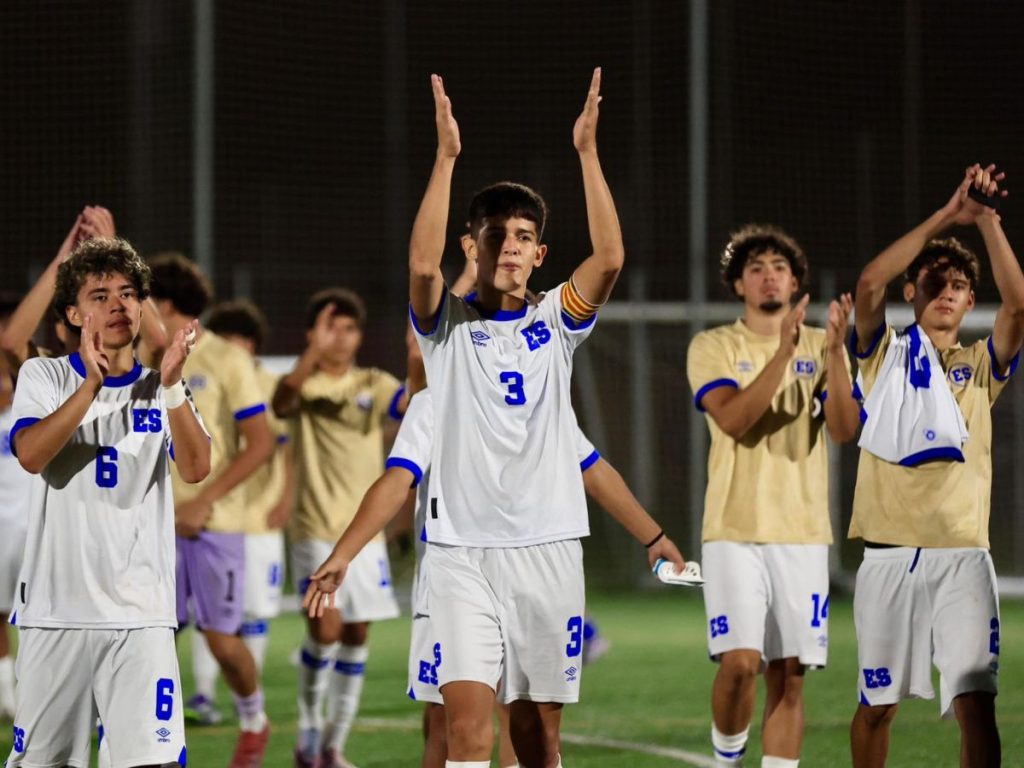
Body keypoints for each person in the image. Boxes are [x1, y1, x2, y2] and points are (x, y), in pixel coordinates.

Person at [403, 67, 625, 767]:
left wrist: (587, 152)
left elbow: (610, 257)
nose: (509, 245)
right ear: (470, 247)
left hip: (547, 548)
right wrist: (445, 158)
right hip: (460, 554)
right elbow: (421, 264)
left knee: (536, 739)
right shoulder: (445, 329)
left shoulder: (556, 322)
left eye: (523, 235)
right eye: (494, 234)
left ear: (540, 253)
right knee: (467, 732)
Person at [303, 385, 685, 768]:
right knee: (459, 727)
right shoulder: (435, 400)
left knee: (537, 732)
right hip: (459, 569)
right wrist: (344, 554)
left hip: (542, 568)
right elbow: (398, 478)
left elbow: (593, 469)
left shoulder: (542, 396)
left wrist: (654, 537)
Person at [5, 237, 210, 767]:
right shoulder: (45, 376)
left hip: (141, 617)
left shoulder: (161, 386)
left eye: (128, 293)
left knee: (153, 762)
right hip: (56, 615)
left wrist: (172, 386)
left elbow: (196, 468)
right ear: (74, 314)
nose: (118, 305)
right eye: (100, 296)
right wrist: (89, 388)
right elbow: (31, 455)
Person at [848, 164, 1022, 768]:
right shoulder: (883, 358)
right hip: (888, 558)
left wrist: (988, 221)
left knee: (976, 704)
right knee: (877, 707)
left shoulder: (980, 365)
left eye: (959, 285)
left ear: (971, 301)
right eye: (934, 281)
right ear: (912, 291)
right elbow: (869, 281)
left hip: (963, 558)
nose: (947, 291)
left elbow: (1019, 306)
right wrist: (948, 214)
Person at [686, 224, 859, 767]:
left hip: (803, 535)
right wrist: (783, 352)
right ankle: (727, 758)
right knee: (740, 663)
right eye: (756, 268)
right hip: (732, 531)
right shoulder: (713, 345)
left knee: (789, 674)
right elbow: (734, 420)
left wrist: (835, 353)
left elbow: (843, 429)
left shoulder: (822, 345)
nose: (769, 276)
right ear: (738, 285)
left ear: (795, 282)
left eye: (779, 268)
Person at [272, 288, 408, 768]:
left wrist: (419, 360)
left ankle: (334, 744)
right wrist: (312, 352)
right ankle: (309, 727)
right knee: (325, 629)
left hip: (364, 534)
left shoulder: (373, 381)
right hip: (314, 528)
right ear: (312, 334)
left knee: (355, 635)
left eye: (349, 329)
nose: (341, 337)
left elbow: (409, 405)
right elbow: (281, 401)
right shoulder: (302, 384)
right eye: (331, 328)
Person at [148, 253, 275, 766]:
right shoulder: (138, 356)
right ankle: (150, 737)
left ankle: (254, 720)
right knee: (150, 638)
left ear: (164, 304)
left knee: (222, 640)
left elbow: (260, 444)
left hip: (214, 523)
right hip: (152, 523)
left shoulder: (225, 358)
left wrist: (203, 500)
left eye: (140, 298)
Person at [183, 299, 294, 725]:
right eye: (223, 338)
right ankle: (204, 694)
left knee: (254, 614)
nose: (230, 347)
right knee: (208, 615)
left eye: (238, 340)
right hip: (217, 517)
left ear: (253, 344)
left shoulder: (267, 384)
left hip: (258, 519)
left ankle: (249, 698)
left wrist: (284, 500)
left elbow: (282, 448)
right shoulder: (196, 373)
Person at [0, 299, 33, 721]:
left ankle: (34, 696)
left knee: (36, 614)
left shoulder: (38, 378)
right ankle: (6, 697)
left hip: (32, 522)